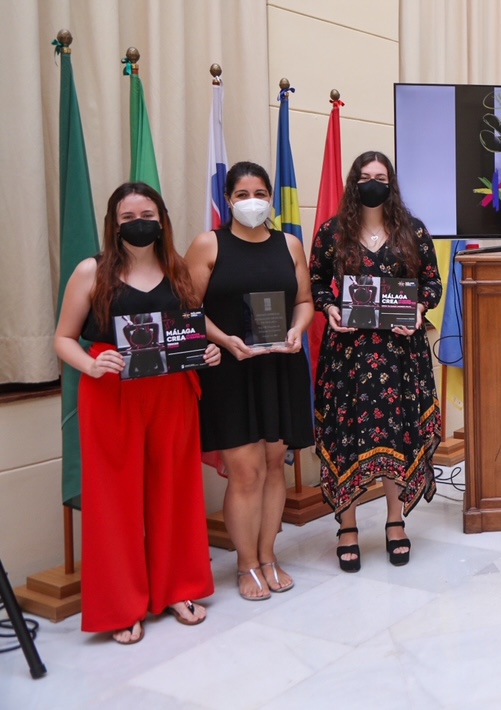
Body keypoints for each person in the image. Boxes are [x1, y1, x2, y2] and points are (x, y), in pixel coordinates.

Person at [54, 182, 218, 644]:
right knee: (115, 501)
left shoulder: (178, 269)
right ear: (114, 224)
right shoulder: (92, 271)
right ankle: (121, 605)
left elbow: (191, 332)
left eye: (147, 213)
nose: (138, 222)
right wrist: (90, 363)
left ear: (162, 218)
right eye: (127, 217)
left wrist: (205, 354)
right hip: (111, 395)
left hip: (172, 393)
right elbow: (63, 338)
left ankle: (178, 588)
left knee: (176, 491)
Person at [310, 151, 443, 571]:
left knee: (398, 433)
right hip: (347, 357)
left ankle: (395, 520)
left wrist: (420, 309)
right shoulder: (332, 232)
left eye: (380, 176)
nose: (373, 183)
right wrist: (329, 308)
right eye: (365, 176)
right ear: (353, 182)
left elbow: (432, 284)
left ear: (392, 183)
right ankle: (347, 526)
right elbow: (316, 282)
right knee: (345, 436)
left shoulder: (412, 231)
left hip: (399, 356)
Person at [187, 161, 314, 601]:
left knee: (275, 463)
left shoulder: (290, 244)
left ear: (271, 199)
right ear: (228, 200)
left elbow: (304, 300)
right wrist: (224, 340)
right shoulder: (209, 244)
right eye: (242, 195)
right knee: (245, 471)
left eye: (260, 193)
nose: (252, 202)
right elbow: (187, 309)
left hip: (280, 365)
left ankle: (268, 555)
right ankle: (245, 564)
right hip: (230, 369)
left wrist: (298, 329)